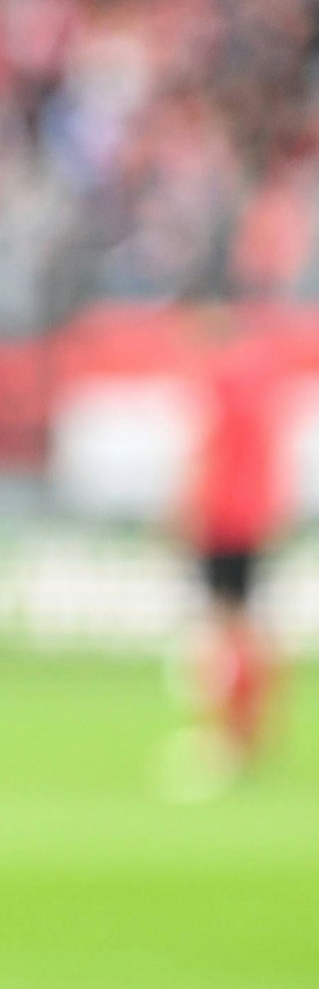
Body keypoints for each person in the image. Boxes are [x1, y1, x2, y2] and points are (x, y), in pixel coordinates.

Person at [170, 301, 290, 794]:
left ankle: (224, 737)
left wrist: (181, 514)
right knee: (246, 626)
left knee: (222, 630)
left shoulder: (216, 383)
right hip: (254, 516)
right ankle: (253, 730)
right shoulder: (259, 382)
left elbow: (206, 455)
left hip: (221, 519)